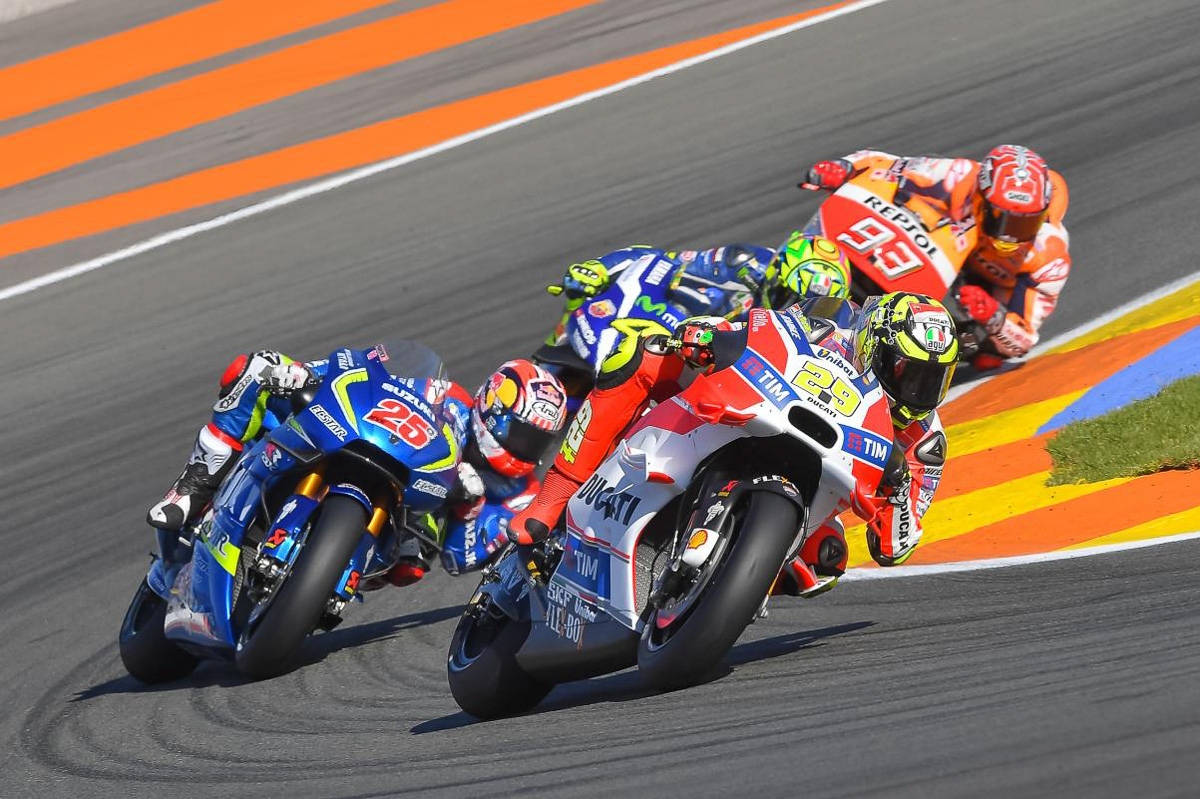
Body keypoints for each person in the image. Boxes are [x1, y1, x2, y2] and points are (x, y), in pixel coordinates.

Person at [507, 291, 956, 588]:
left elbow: (895, 547)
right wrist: (707, 334)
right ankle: (553, 498)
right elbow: (756, 331)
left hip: (816, 489)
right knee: (640, 351)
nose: (918, 392)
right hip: (749, 417)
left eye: (934, 380)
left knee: (827, 560)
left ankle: (726, 587)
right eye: (908, 373)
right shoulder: (830, 334)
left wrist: (899, 495)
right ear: (874, 347)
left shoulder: (925, 441)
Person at [146, 350, 567, 585]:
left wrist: (469, 507)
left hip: (404, 522)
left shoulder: (521, 490)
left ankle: (336, 575)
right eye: (521, 433)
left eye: (537, 441)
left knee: (410, 568)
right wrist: (307, 374)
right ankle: (196, 484)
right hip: (369, 448)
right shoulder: (449, 397)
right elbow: (375, 378)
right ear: (493, 408)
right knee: (255, 367)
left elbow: (461, 558)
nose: (525, 447)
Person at [805, 144, 1070, 368]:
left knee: (982, 354)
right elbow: (888, 164)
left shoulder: (1050, 257)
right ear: (982, 197)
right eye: (1003, 218)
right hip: (944, 247)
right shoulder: (960, 175)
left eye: (1026, 223)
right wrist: (844, 167)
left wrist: (992, 315)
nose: (1010, 236)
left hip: (989, 292)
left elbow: (1023, 340)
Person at [548, 233, 852, 325]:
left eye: (816, 307)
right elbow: (663, 260)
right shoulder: (745, 262)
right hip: (672, 330)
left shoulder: (825, 332)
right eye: (792, 298)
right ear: (776, 274)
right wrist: (601, 269)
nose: (796, 310)